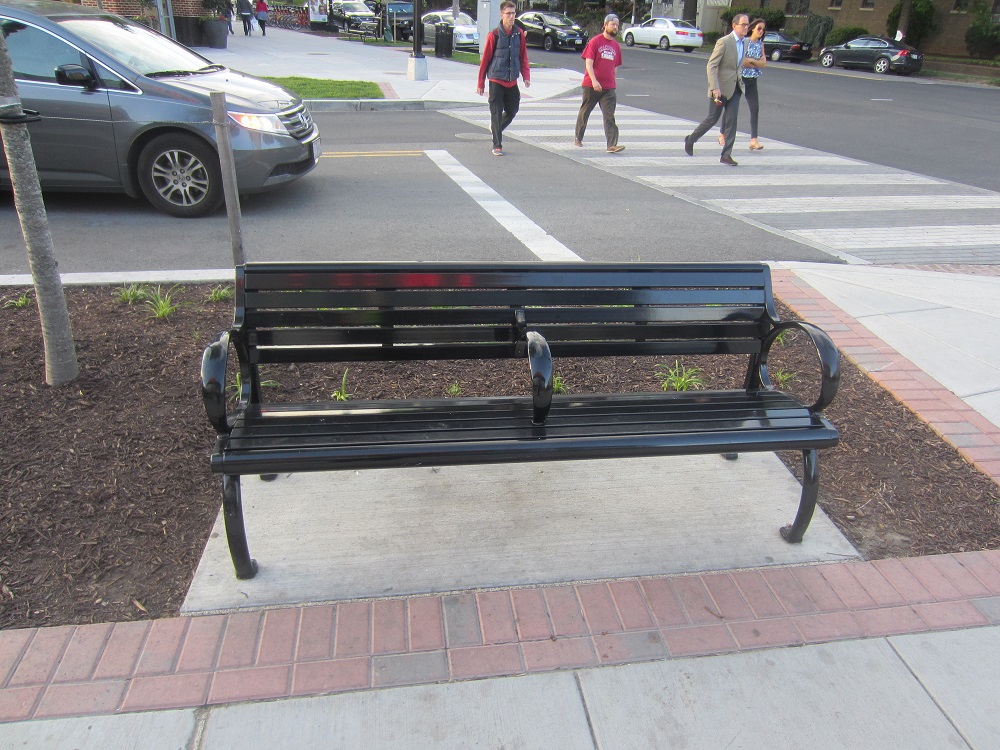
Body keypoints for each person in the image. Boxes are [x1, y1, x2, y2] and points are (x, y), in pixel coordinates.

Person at [684, 13, 750, 166]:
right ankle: (691, 139)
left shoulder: (745, 43)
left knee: (731, 121)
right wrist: (715, 87)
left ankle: (726, 155)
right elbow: (711, 65)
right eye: (743, 25)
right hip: (720, 90)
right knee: (712, 119)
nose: (746, 27)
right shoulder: (724, 42)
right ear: (734, 26)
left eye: (748, 25)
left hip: (736, 88)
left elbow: (737, 66)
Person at [476, 0, 531, 157]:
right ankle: (497, 144)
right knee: (496, 111)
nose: (512, 16)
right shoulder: (494, 35)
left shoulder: (519, 34)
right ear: (502, 15)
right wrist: (481, 82)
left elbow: (523, 56)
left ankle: (495, 127)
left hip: (511, 80)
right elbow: (485, 59)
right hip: (496, 79)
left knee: (512, 110)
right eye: (508, 13)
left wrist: (526, 75)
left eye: (514, 13)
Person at [574, 14, 624, 153]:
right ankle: (578, 137)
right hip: (591, 85)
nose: (615, 27)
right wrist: (594, 81)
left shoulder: (616, 46)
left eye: (617, 25)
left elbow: (615, 67)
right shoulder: (595, 42)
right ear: (606, 24)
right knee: (585, 112)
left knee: (609, 115)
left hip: (608, 87)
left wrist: (613, 82)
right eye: (613, 24)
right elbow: (588, 64)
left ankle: (611, 145)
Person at [718, 17, 766, 150]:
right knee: (731, 108)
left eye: (763, 29)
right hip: (740, 79)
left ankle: (753, 140)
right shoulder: (745, 42)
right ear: (753, 28)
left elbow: (763, 64)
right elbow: (742, 61)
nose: (761, 31)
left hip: (752, 81)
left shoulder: (761, 45)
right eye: (759, 28)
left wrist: (753, 62)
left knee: (754, 109)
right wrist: (755, 62)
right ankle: (722, 133)